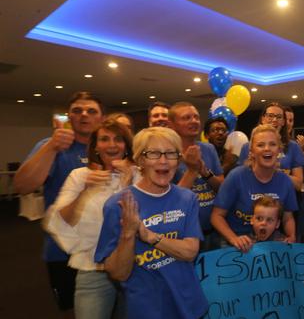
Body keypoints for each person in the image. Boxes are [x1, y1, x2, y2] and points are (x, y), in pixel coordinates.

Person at [94, 127, 208, 319]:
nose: (163, 160)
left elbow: (189, 251)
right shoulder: (118, 205)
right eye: (153, 153)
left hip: (188, 303)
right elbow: (119, 274)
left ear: (178, 160)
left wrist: (150, 237)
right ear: (140, 160)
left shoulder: (187, 198)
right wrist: (128, 234)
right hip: (148, 308)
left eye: (170, 153)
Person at [14, 91, 104, 311]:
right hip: (63, 249)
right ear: (69, 117)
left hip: (103, 247)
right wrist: (52, 147)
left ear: (100, 118)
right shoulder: (51, 145)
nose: (84, 115)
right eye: (77, 111)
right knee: (72, 309)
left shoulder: (109, 147)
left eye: (91, 111)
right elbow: (23, 186)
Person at [44, 119, 135, 319]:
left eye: (118, 139)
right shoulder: (79, 176)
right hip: (93, 268)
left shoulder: (139, 176)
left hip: (135, 268)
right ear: (95, 147)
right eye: (104, 139)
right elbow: (60, 221)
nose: (111, 145)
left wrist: (129, 182)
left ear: (126, 146)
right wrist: (84, 191)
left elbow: (147, 219)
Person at [212, 124, 298, 253]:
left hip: (270, 244)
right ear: (251, 151)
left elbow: (287, 217)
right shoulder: (236, 176)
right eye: (261, 145)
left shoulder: (285, 180)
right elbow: (216, 216)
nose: (267, 149)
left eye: (272, 144)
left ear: (279, 151)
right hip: (236, 245)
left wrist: (291, 237)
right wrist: (234, 239)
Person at [168, 102, 224, 250]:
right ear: (172, 124)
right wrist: (192, 170)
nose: (193, 121)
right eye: (186, 118)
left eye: (196, 117)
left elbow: (221, 187)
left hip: (212, 230)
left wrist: (205, 172)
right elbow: (170, 201)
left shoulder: (209, 148)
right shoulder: (167, 154)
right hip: (183, 235)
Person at [238, 102, 304, 191]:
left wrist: (275, 171)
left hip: (282, 200)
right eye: (270, 115)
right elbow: (240, 181)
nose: (274, 120)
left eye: (279, 117)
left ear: (284, 122)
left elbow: (299, 185)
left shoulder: (293, 147)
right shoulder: (247, 147)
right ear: (263, 119)